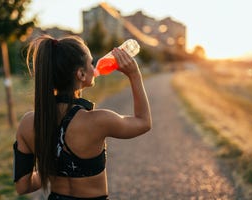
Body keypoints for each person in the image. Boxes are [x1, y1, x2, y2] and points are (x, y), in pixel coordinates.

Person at [13, 35, 152, 200]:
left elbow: (23, 186)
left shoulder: (28, 123)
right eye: (91, 63)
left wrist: (51, 168)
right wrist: (134, 74)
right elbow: (143, 123)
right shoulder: (98, 120)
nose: (94, 68)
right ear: (81, 74)